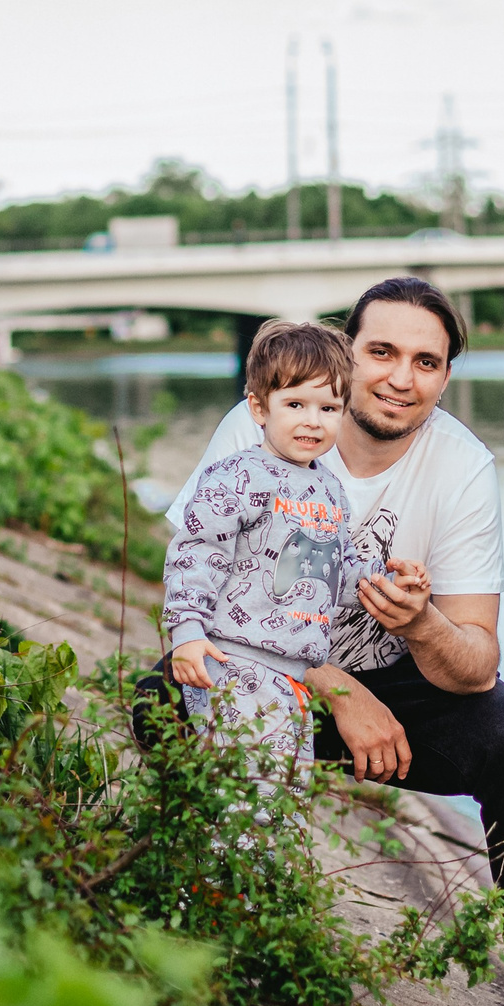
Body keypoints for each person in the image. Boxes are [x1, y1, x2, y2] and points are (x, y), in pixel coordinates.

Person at [164, 276, 504, 1006]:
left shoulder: (462, 465)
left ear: (445, 375)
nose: (402, 377)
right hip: (253, 662)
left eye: (427, 361)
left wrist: (419, 620)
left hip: (395, 683)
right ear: (346, 350)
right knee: (165, 698)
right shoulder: (265, 419)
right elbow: (196, 576)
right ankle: (206, 919)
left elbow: (476, 664)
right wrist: (335, 688)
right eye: (383, 352)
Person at [163, 321, 426, 766]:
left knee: (284, 792)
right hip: (233, 661)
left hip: (294, 676)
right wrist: (186, 631)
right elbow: (197, 553)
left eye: (328, 408)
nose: (312, 420)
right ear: (259, 407)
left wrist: (386, 584)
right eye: (295, 404)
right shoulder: (237, 477)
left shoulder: (328, 490)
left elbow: (332, 572)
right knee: (241, 793)